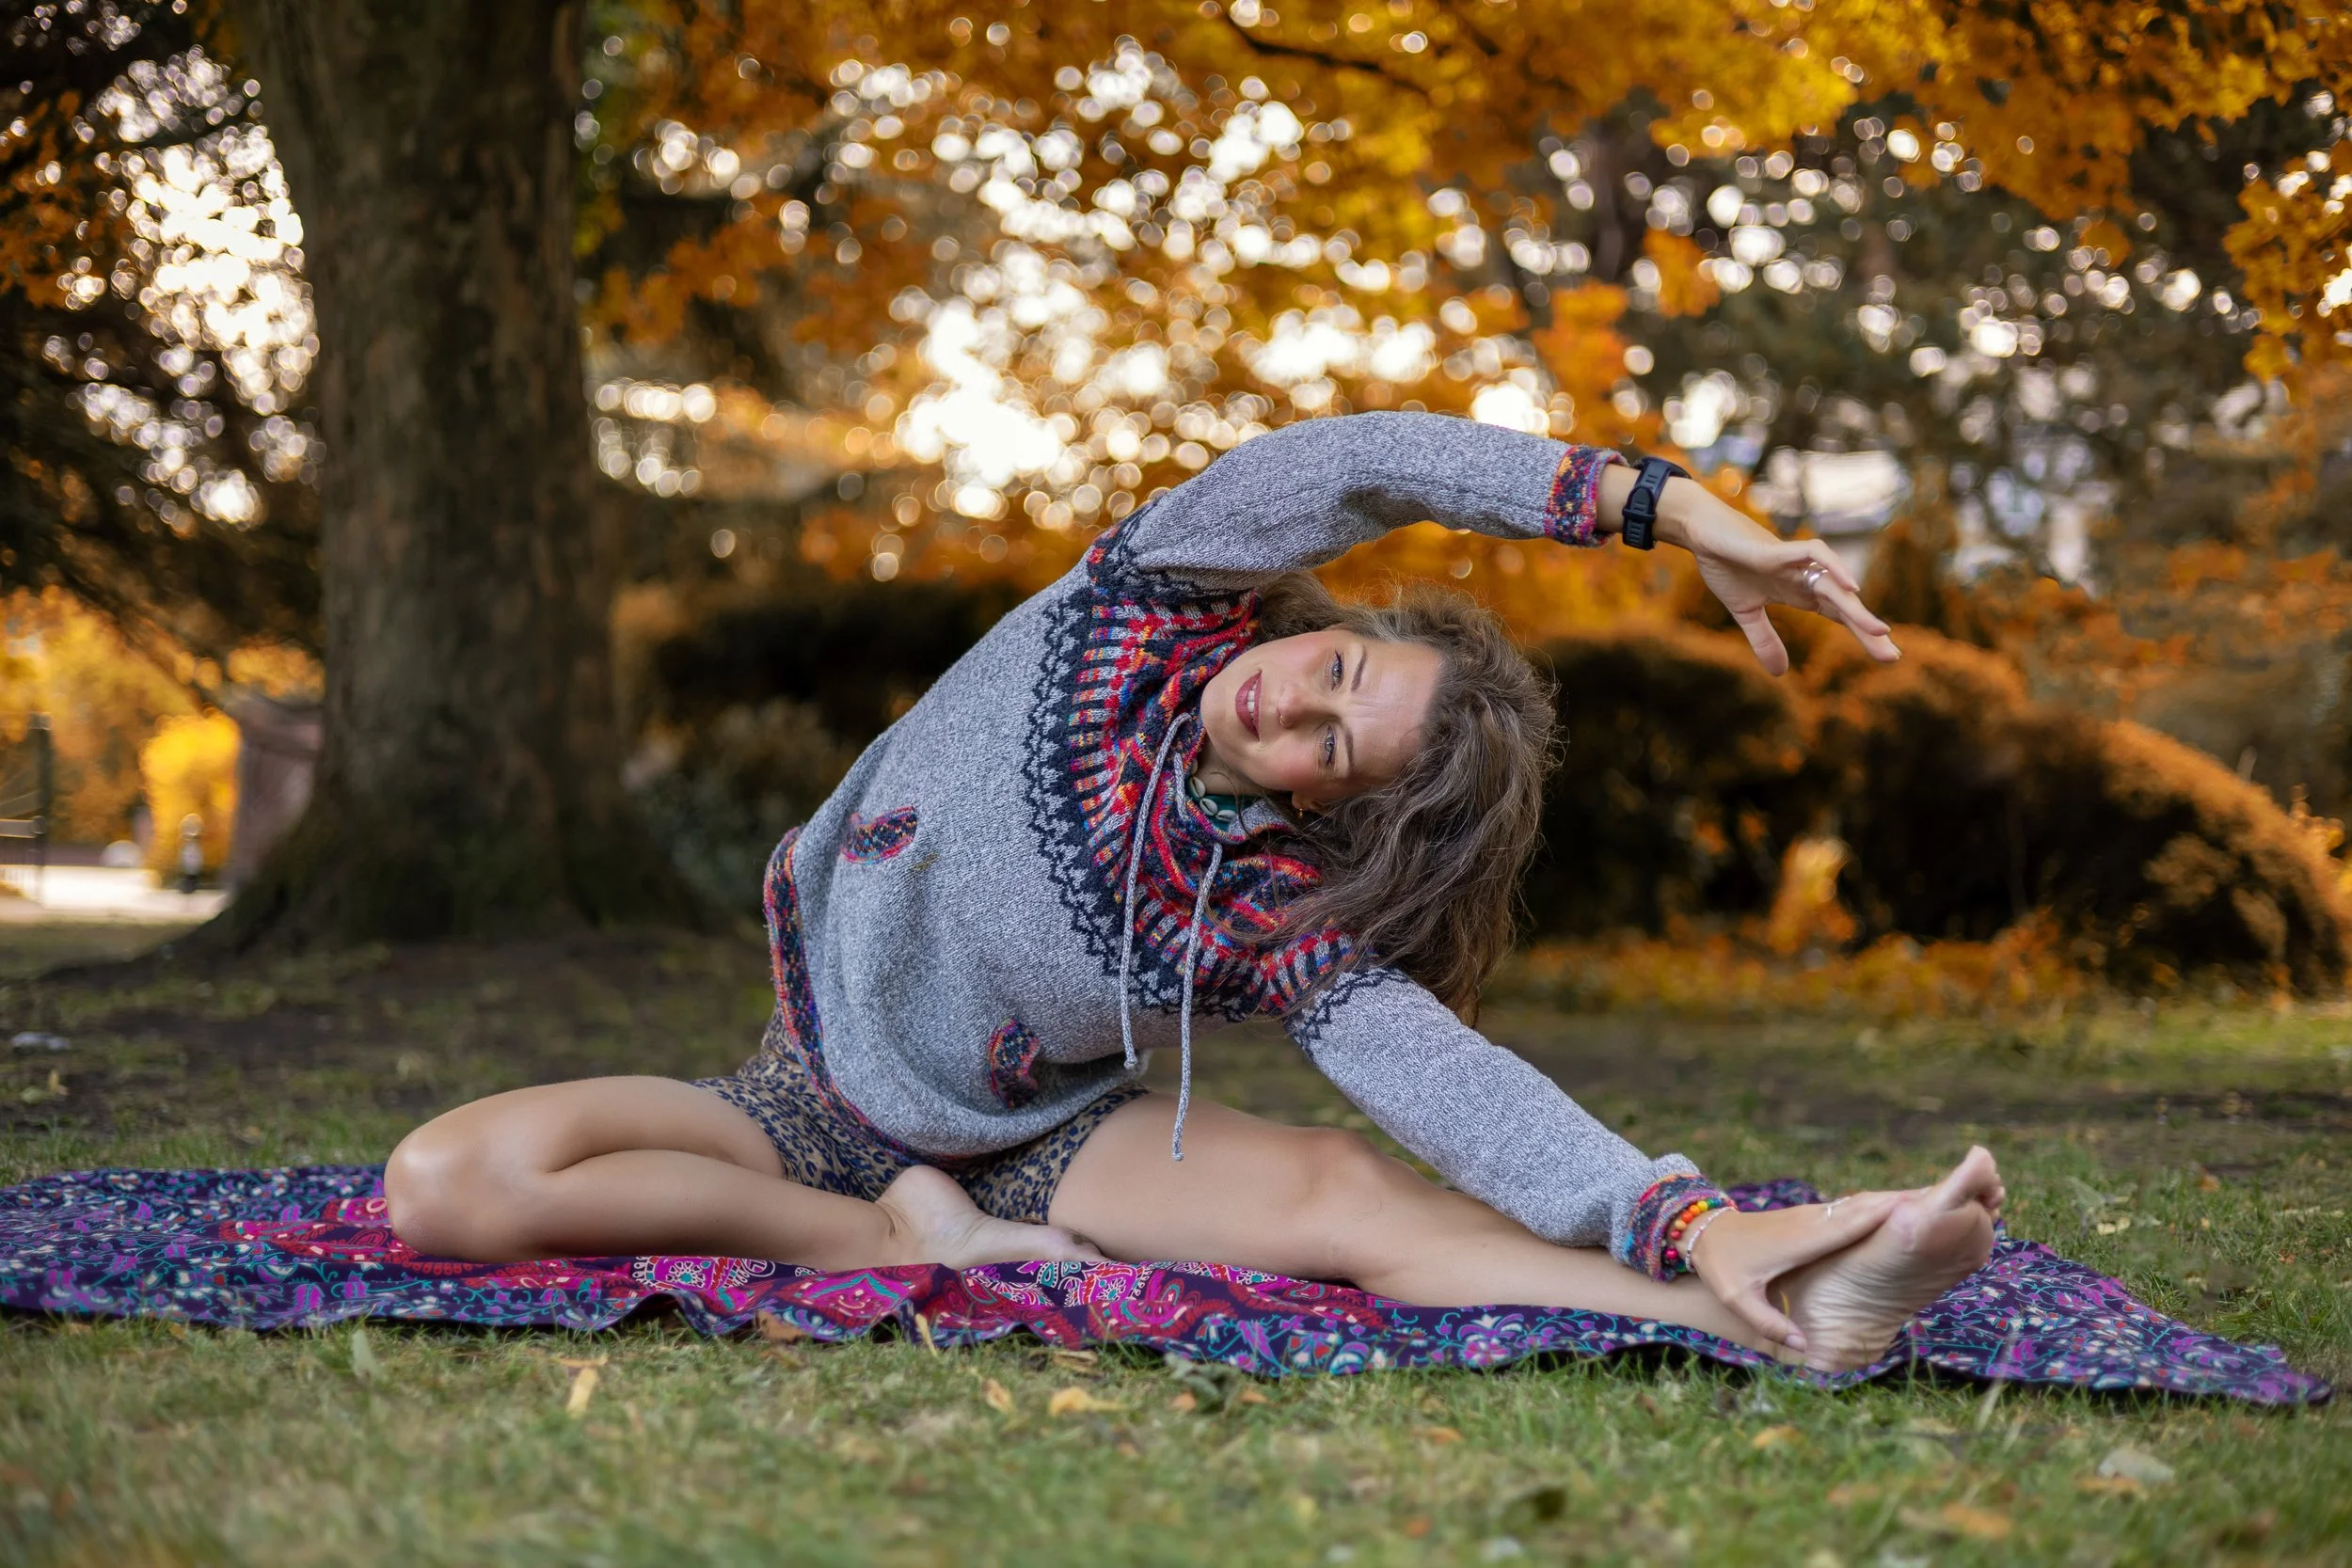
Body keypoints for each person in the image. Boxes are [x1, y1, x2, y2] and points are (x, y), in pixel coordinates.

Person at [385, 413, 2004, 1372]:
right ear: (1330, 624)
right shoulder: (1149, 594)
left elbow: (1448, 1086)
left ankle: (1768, 1303)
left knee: (1349, 1195)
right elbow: (1368, 458)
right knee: (449, 1185)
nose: (1290, 709)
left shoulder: (1257, 905)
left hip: (1032, 1151)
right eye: (1335, 671)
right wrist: (1670, 507)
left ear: (1335, 805)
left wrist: (1690, 1216)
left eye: (1333, 748)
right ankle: (879, 1236)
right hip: (800, 1104)